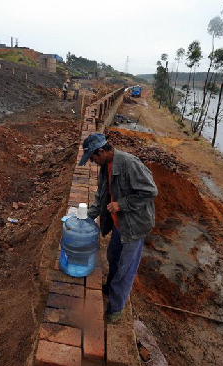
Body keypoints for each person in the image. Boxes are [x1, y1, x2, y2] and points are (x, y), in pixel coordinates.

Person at [79, 133, 157, 323]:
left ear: (101, 151)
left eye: (93, 158)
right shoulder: (105, 167)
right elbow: (101, 195)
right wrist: (85, 217)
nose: (93, 162)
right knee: (113, 257)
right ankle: (110, 286)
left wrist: (121, 204)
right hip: (119, 224)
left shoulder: (130, 164)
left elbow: (150, 191)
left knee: (125, 269)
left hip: (134, 226)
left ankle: (116, 308)